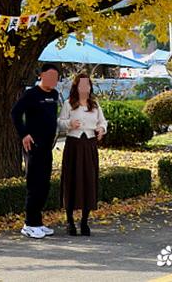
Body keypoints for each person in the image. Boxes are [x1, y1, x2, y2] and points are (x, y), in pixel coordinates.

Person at [10, 62, 60, 239]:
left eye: (56, 77)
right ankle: (29, 224)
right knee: (34, 184)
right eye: (50, 76)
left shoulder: (54, 94)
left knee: (45, 185)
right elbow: (15, 113)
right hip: (33, 146)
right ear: (41, 75)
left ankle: (38, 222)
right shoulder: (31, 94)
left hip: (47, 146)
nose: (53, 80)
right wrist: (24, 134)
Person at [58, 72, 107, 236]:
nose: (85, 88)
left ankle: (85, 221)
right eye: (81, 85)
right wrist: (69, 123)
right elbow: (60, 122)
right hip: (74, 145)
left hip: (90, 145)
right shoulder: (68, 104)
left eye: (87, 85)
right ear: (76, 87)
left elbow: (102, 121)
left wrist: (101, 129)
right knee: (71, 180)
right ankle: (70, 221)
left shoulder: (94, 105)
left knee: (89, 180)